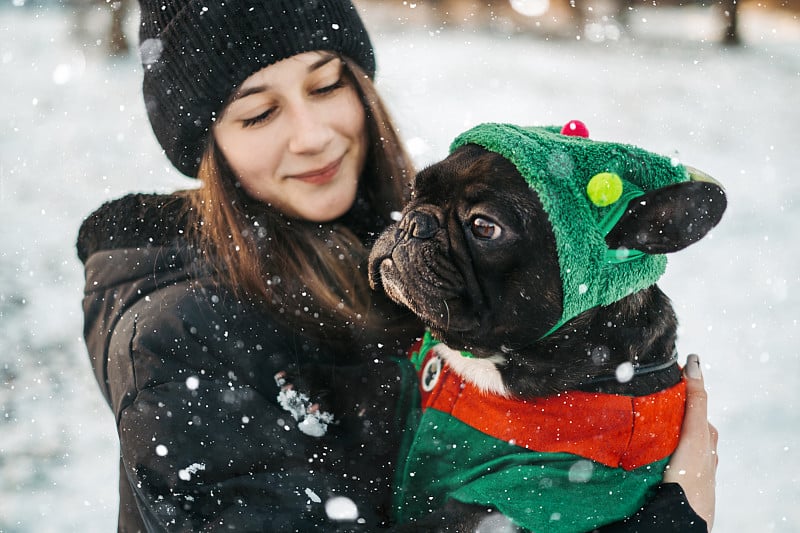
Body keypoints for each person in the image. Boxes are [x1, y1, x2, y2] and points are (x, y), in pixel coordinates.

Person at [76, 0, 719, 530]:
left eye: (327, 84)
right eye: (259, 112)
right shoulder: (182, 337)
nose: (312, 134)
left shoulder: (409, 253)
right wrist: (674, 515)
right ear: (208, 143)